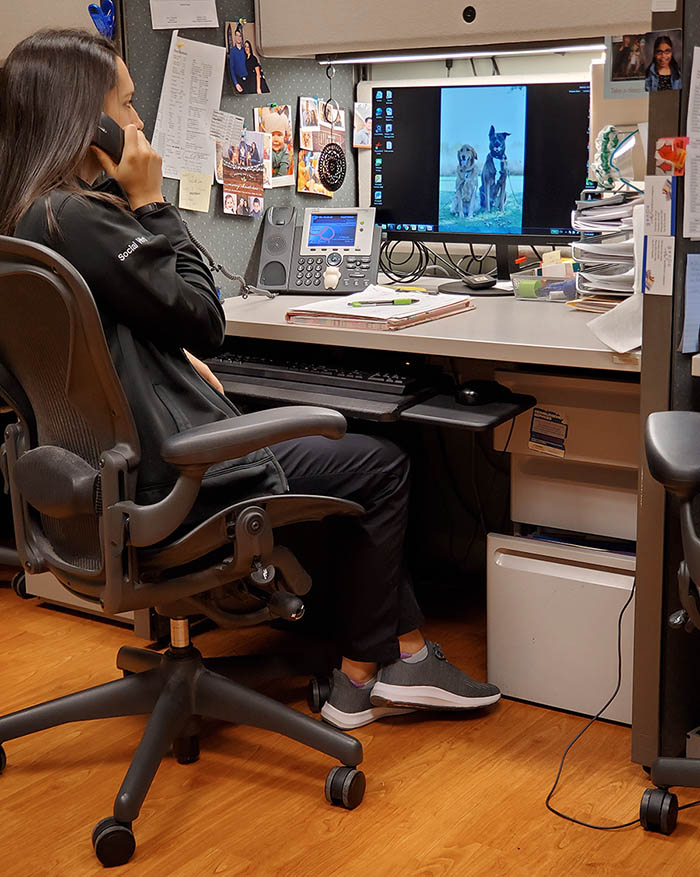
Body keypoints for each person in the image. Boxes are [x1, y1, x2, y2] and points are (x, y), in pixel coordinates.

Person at [0, 28, 501, 731]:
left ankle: (394, 651)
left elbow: (85, 348)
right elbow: (206, 316)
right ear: (94, 126)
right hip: (167, 477)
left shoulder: (24, 222)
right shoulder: (82, 216)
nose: (139, 125)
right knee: (378, 462)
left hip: (95, 482)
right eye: (129, 107)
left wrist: (157, 361)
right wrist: (150, 200)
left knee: (327, 462)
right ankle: (369, 672)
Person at [261, 108, 292, 177]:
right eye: (272, 135)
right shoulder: (267, 148)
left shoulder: (284, 148)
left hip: (279, 175)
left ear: (284, 137)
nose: (276, 139)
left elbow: (284, 164)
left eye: (279, 135)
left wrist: (279, 178)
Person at [226, 22, 247, 93]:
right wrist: (236, 83)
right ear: (235, 37)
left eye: (240, 36)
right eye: (237, 36)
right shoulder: (232, 51)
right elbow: (232, 68)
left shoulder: (245, 50)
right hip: (239, 80)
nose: (238, 38)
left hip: (249, 79)